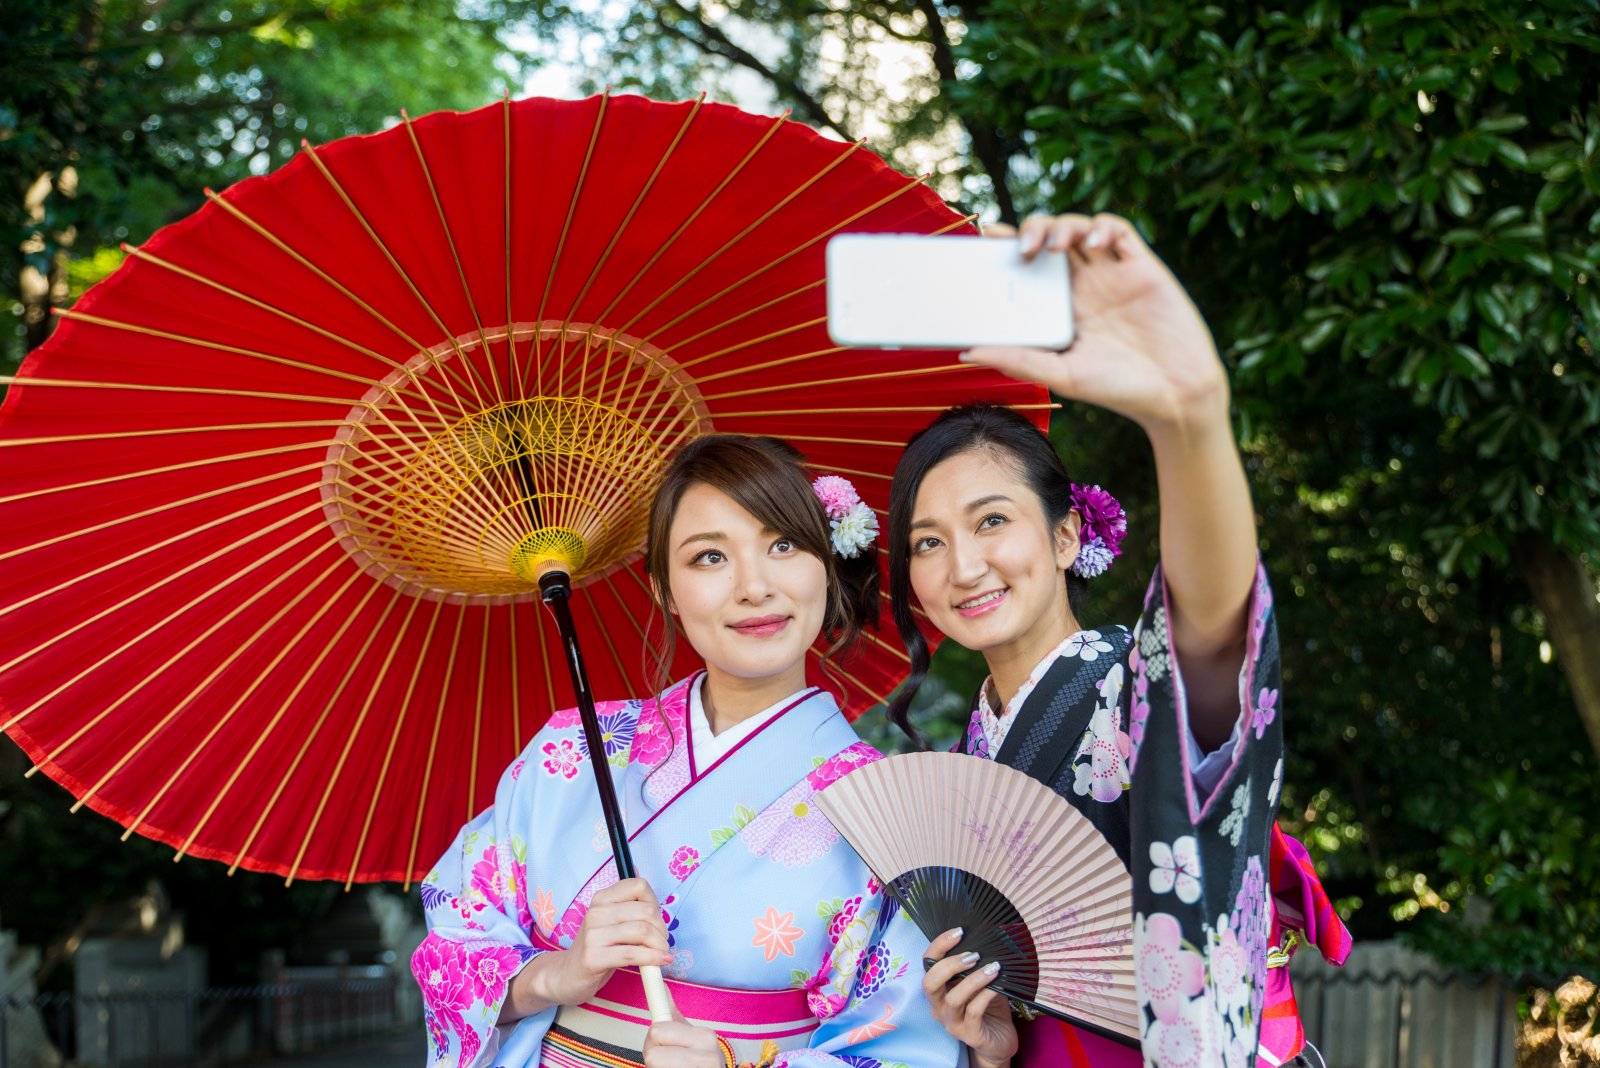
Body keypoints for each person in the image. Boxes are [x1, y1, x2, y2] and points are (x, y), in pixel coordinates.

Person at [887, 213, 1345, 1068]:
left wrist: (1189, 420)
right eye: (927, 541)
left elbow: (1210, 629)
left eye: (993, 521)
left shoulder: (1130, 689)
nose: (965, 565)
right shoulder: (971, 752)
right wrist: (988, 1046)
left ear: (1065, 538)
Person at [412, 435, 961, 1068]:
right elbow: (452, 943)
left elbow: (904, 1048)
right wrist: (554, 976)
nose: (755, 587)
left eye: (783, 544)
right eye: (708, 557)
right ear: (666, 590)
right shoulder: (571, 750)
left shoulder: (887, 810)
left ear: (828, 567)